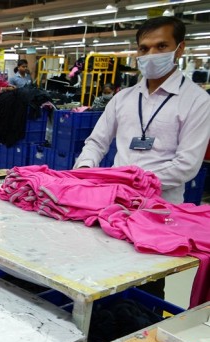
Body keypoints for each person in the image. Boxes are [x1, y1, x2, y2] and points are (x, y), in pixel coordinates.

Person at [74, 16, 210, 298]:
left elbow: (186, 166)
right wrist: (86, 173)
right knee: (105, 279)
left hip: (159, 213)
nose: (151, 55)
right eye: (144, 48)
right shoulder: (123, 98)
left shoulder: (197, 101)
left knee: (146, 286)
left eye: (161, 46)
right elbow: (96, 142)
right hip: (112, 207)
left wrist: (135, 185)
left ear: (179, 49)